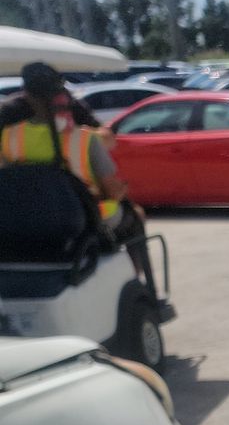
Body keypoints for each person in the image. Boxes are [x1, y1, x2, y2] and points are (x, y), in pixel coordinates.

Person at [0, 61, 153, 286]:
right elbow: (110, 179)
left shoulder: (8, 134)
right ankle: (139, 287)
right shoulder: (83, 137)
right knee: (134, 216)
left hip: (23, 216)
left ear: (27, 91)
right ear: (58, 94)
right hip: (78, 216)